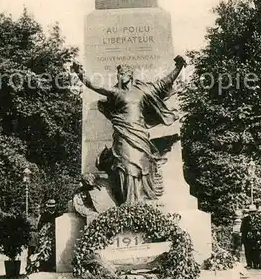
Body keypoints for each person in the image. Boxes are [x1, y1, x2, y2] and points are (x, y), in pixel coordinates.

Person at [72, 56, 186, 204]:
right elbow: (95, 86)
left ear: (130, 75)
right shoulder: (116, 93)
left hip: (139, 134)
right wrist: (80, 74)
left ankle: (139, 201)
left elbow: (163, 83)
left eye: (123, 73)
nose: (120, 76)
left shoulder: (142, 91)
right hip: (123, 134)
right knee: (125, 166)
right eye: (118, 74)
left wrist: (178, 67)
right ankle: (128, 202)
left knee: (141, 165)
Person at [240, 204, 257, 268]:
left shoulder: (256, 219)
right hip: (247, 238)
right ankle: (250, 264)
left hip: (253, 238)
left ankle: (254, 264)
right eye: (251, 212)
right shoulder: (245, 219)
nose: (253, 213)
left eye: (254, 212)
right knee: (248, 251)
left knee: (253, 251)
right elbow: (242, 229)